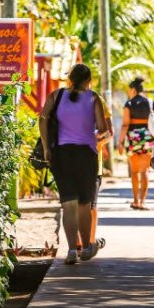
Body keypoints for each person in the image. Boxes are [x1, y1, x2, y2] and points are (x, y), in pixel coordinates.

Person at [39, 64, 111, 265]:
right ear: (89, 80)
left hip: (61, 154)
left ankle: (71, 250)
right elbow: (103, 129)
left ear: (70, 79)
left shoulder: (56, 95)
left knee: (68, 204)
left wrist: (46, 147)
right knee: (84, 204)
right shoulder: (93, 98)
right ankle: (86, 248)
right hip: (86, 155)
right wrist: (92, 133)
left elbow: (42, 119)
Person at [116, 77, 154, 210]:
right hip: (148, 139)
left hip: (133, 139)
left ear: (133, 90)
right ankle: (143, 201)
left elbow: (125, 124)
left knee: (135, 171)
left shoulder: (129, 104)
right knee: (145, 170)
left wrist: (120, 142)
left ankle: (136, 201)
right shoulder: (152, 103)